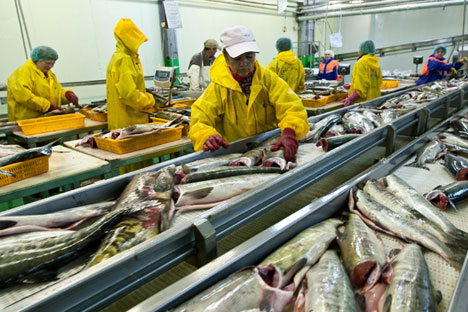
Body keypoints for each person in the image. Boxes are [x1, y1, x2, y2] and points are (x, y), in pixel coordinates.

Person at [188, 25, 309, 162]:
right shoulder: (218, 87)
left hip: (270, 150)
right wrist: (206, 135)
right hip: (235, 156)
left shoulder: (268, 80)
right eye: (237, 58)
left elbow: (292, 107)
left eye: (249, 57)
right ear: (226, 58)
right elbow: (199, 118)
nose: (244, 63)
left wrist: (289, 131)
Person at [106, 18, 155, 131]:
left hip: (124, 121)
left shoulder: (118, 57)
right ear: (129, 38)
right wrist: (150, 100)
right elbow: (129, 95)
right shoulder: (124, 59)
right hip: (128, 123)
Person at [7, 46, 80, 121]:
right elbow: (24, 97)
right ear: (37, 60)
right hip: (26, 122)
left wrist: (67, 95)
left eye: (53, 63)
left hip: (45, 120)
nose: (50, 66)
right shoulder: (22, 73)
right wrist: (48, 107)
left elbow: (57, 93)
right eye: (48, 63)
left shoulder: (50, 75)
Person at [342, 40, 382, 107]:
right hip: (374, 100)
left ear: (362, 50)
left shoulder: (361, 63)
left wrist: (350, 99)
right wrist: (353, 85)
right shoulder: (375, 63)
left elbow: (360, 89)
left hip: (362, 104)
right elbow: (376, 82)